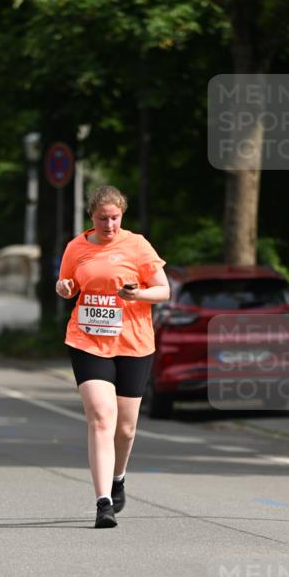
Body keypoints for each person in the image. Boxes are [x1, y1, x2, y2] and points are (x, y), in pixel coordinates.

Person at [56, 185, 170, 528]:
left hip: (133, 343)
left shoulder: (136, 245)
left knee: (126, 427)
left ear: (123, 216)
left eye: (115, 218)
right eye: (103, 218)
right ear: (92, 217)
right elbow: (67, 284)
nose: (110, 225)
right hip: (87, 340)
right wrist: (63, 288)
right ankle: (102, 502)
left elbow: (163, 290)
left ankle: (118, 477)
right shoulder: (77, 247)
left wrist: (136, 295)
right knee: (101, 417)